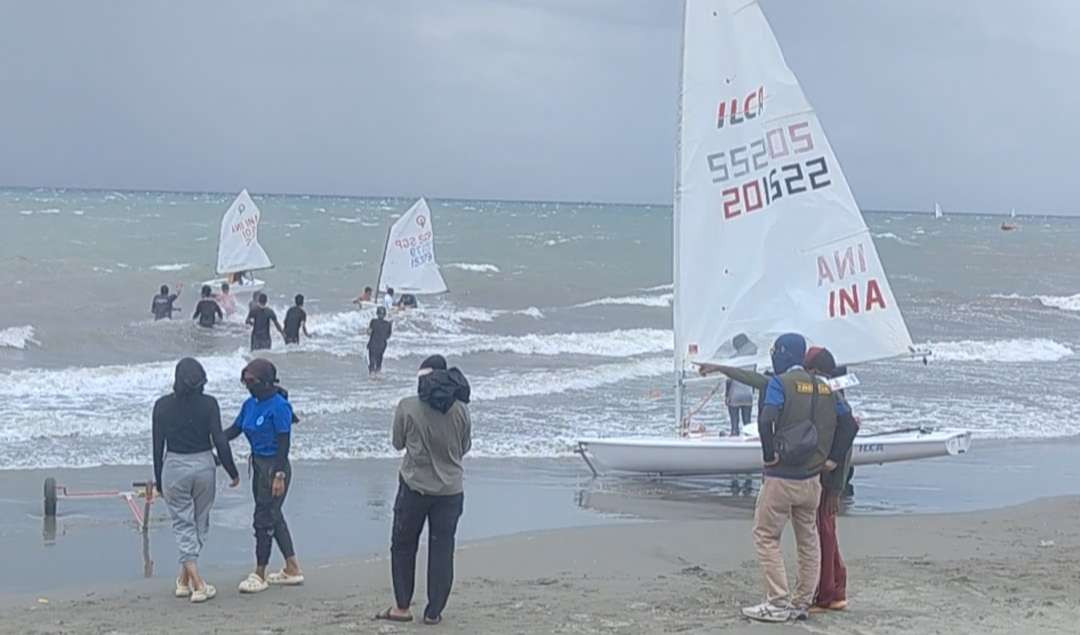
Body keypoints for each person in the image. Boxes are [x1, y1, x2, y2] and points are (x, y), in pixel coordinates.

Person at [741, 333, 851, 624]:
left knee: (766, 536)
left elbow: (766, 420)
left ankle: (776, 602)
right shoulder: (825, 387)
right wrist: (833, 458)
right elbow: (849, 422)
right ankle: (801, 602)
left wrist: (768, 455)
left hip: (781, 476)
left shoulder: (780, 383)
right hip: (811, 479)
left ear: (784, 354)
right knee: (808, 540)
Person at [376, 355, 471, 625]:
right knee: (442, 549)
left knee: (403, 546)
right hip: (451, 491)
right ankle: (433, 612)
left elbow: (397, 443)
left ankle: (402, 607)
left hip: (414, 487)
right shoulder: (462, 409)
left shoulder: (407, 406)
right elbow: (464, 447)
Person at [152, 358, 240, 603]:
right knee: (200, 522)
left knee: (182, 523)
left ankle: (186, 580)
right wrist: (232, 471)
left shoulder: (161, 406)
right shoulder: (209, 404)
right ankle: (196, 583)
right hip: (203, 465)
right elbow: (220, 440)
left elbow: (157, 446)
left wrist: (158, 479)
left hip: (174, 465)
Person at [225, 358, 304, 593]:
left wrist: (279, 475)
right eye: (245, 380)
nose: (247, 385)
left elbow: (284, 444)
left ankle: (259, 573)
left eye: (251, 381)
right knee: (273, 514)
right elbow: (233, 430)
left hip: (275, 467)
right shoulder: (250, 405)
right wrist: (211, 439)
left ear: (266, 382)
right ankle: (292, 568)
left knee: (264, 518)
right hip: (258, 466)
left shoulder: (279, 407)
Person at [804, 347, 859, 614]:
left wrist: (833, 467)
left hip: (830, 477)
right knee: (827, 530)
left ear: (814, 369)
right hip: (833, 475)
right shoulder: (832, 391)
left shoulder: (828, 392)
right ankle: (835, 589)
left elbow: (849, 427)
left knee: (824, 530)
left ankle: (828, 593)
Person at [367, 306, 392, 374]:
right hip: (382, 345)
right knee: (379, 362)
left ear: (377, 313)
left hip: (373, 344)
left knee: (372, 362)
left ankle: (371, 377)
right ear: (385, 314)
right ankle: (378, 375)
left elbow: (369, 332)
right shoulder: (388, 324)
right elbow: (388, 336)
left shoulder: (373, 321)